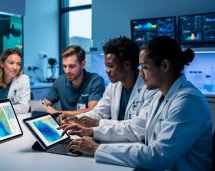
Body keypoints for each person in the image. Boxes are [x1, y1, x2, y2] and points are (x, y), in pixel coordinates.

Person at [59, 36, 212, 170]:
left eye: (145, 67)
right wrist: (91, 130)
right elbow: (133, 128)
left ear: (164, 66)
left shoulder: (187, 101)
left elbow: (158, 156)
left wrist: (98, 149)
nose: (140, 73)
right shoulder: (163, 96)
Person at [58, 37, 157, 127]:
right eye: (106, 66)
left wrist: (98, 123)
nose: (107, 70)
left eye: (111, 66)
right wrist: (77, 118)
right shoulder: (113, 86)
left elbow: (139, 127)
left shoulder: (150, 88)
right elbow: (99, 112)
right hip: (113, 140)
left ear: (127, 64)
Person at [43, 45, 105, 115]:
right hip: (66, 124)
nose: (67, 71)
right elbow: (45, 103)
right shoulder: (60, 81)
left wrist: (58, 113)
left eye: (71, 66)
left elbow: (92, 111)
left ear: (83, 64)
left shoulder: (95, 81)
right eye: (64, 66)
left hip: (86, 124)